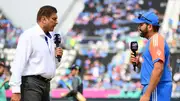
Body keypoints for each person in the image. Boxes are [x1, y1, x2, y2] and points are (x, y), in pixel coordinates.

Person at [9, 5, 63, 101]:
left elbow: (52, 66)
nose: (56, 22)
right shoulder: (29, 36)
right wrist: (16, 91)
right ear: (43, 19)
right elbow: (18, 63)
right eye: (54, 19)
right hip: (31, 85)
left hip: (46, 85)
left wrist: (57, 57)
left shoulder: (50, 38)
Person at [130, 11, 172, 101]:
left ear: (149, 26)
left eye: (141, 24)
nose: (139, 27)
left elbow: (158, 69)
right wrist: (139, 65)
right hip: (154, 88)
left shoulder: (156, 40)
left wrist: (147, 94)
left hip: (157, 88)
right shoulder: (152, 41)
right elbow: (152, 69)